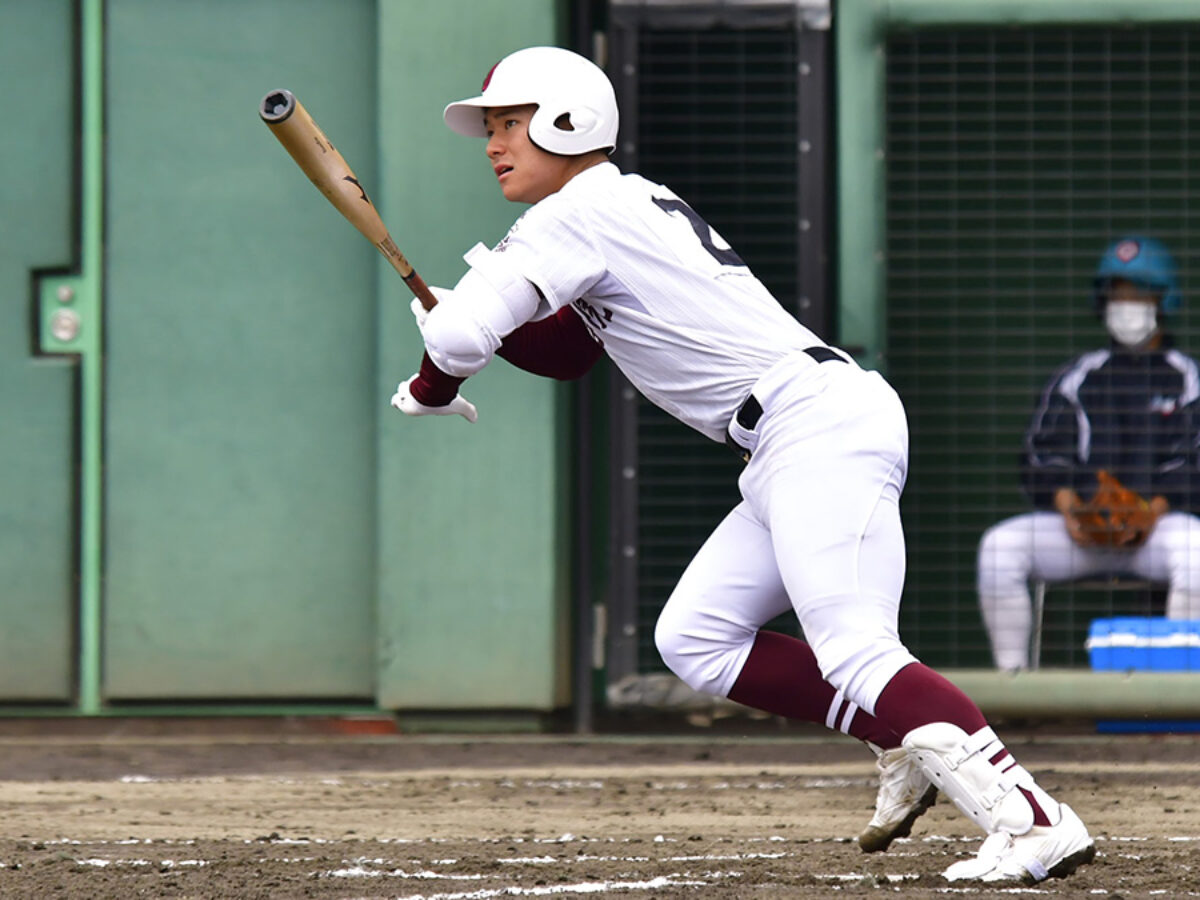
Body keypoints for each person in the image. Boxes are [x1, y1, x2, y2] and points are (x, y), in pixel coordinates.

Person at [389, 45, 1094, 883]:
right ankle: (893, 733)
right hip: (786, 435)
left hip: (813, 423)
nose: (493, 142)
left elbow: (465, 341)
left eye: (509, 122)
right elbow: (567, 350)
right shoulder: (613, 206)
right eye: (492, 126)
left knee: (856, 649)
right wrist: (461, 320)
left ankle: (1033, 818)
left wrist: (439, 370)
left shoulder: (574, 211)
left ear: (567, 121)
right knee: (696, 639)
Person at [978, 236, 1200, 671]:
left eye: (1138, 293)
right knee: (999, 547)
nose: (1126, 304)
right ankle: (1013, 686)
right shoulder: (1078, 375)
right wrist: (1071, 508)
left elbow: (1195, 461)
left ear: (1162, 299)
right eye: (1117, 294)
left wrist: (1149, 510)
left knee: (1197, 551)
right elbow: (1039, 454)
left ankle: (1182, 691)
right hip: (1081, 531)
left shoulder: (1187, 377)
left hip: (1155, 531)